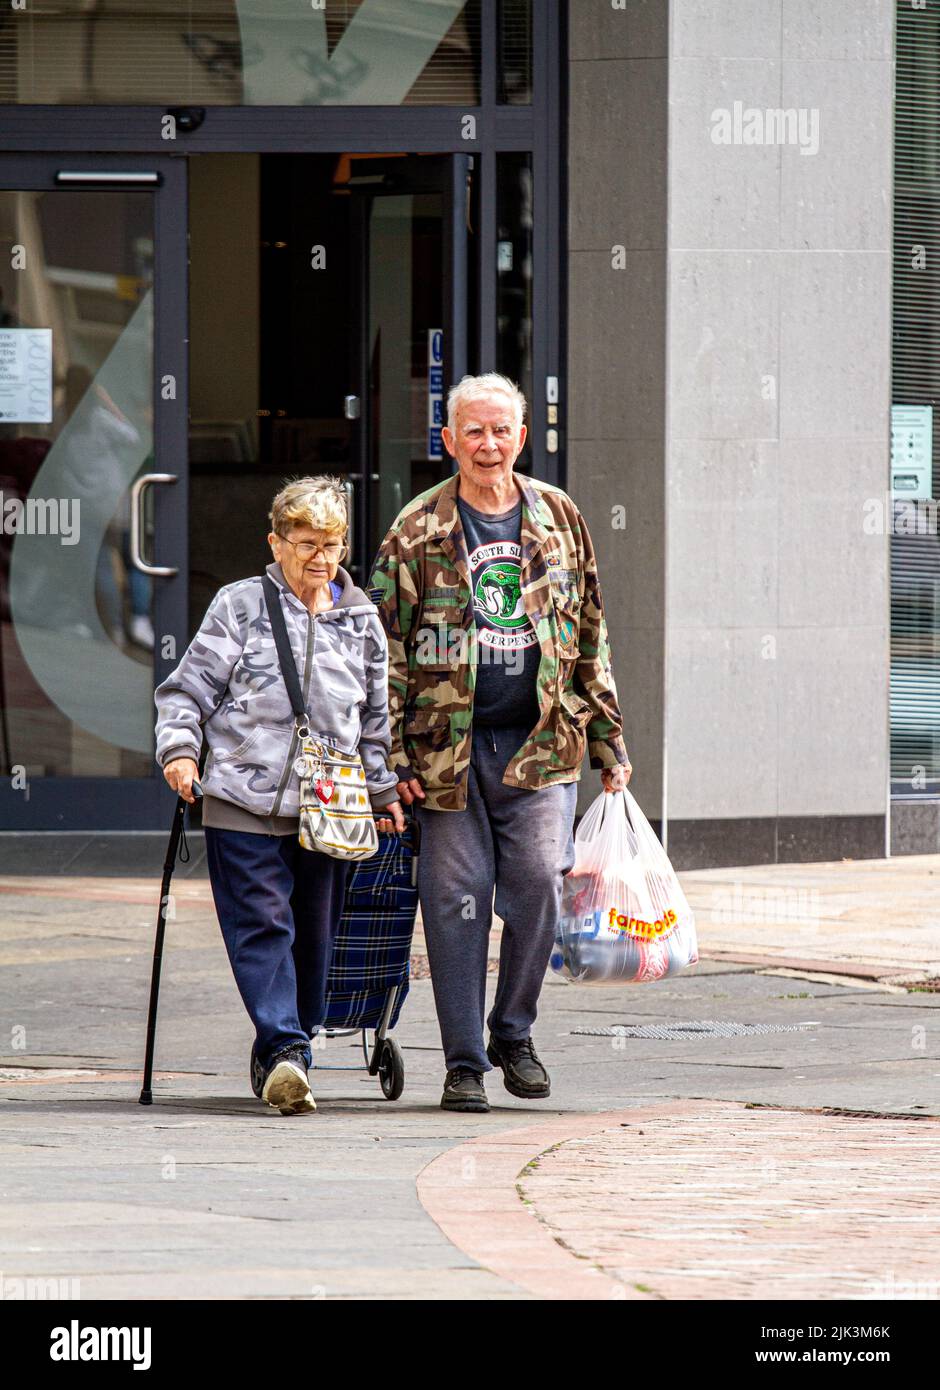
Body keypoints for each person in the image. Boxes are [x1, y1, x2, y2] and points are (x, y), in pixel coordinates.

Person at [369, 372, 631, 1113]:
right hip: (443, 754)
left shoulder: (560, 516)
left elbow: (591, 636)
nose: (489, 445)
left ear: (523, 436)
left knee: (543, 880)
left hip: (541, 745)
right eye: (473, 432)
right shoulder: (416, 528)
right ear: (449, 440)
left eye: (501, 430)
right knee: (453, 901)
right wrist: (388, 760)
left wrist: (608, 742)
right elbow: (380, 650)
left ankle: (513, 1030)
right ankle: (464, 1064)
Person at [154, 477, 404, 1116]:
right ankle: (289, 1049)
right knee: (262, 922)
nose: (321, 558)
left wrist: (380, 791)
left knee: (314, 937)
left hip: (332, 809)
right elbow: (187, 691)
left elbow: (375, 720)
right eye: (306, 543)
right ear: (276, 542)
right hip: (243, 799)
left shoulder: (362, 620)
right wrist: (180, 753)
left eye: (332, 543)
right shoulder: (240, 606)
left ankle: (283, 1048)